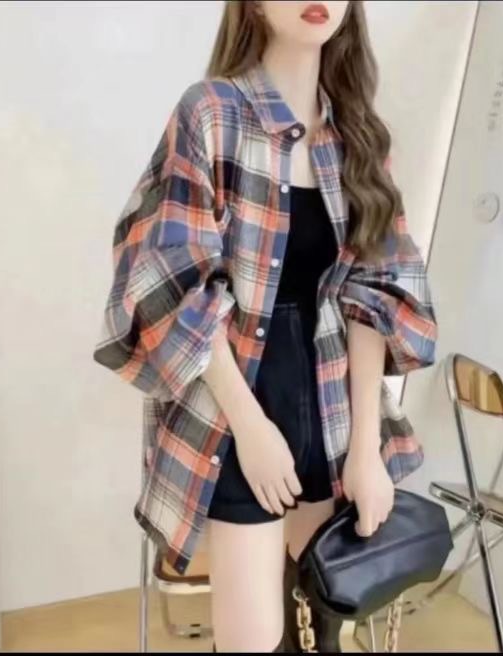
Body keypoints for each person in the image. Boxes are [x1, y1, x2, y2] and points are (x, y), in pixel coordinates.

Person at [93, 1, 438, 652]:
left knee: (325, 620)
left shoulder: (359, 136)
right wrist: (250, 429)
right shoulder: (211, 114)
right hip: (237, 399)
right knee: (252, 639)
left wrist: (365, 450)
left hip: (331, 399)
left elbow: (375, 293)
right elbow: (171, 276)